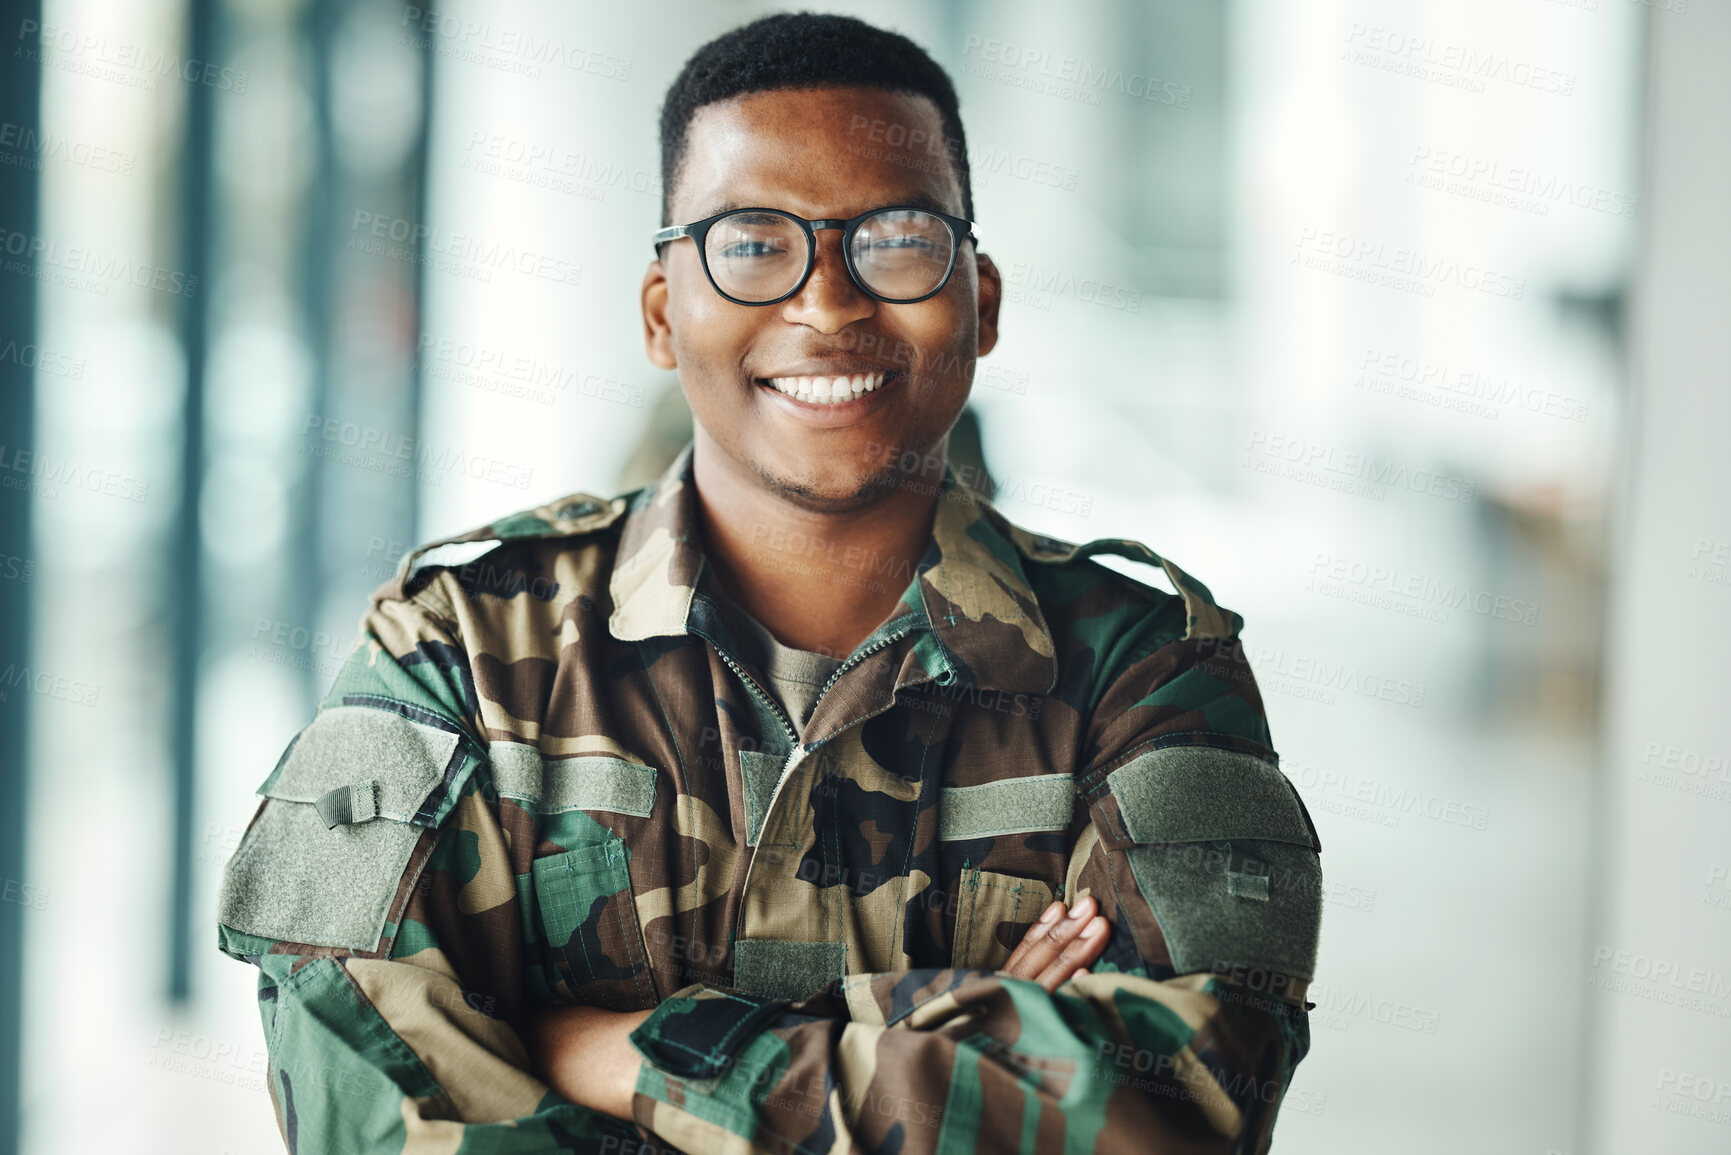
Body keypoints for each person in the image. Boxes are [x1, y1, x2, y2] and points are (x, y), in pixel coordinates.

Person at [216, 12, 1323, 1153]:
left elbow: (1167, 1117)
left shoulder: (1144, 666)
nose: (831, 304)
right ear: (662, 311)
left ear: (980, 302)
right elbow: (366, 1105)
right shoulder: (462, 651)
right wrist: (955, 1042)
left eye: (895, 239)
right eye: (751, 243)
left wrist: (601, 1047)